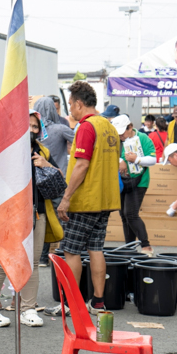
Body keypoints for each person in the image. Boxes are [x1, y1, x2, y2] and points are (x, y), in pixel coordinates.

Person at [0, 112, 63, 328]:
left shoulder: (42, 150)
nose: (31, 130)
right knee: (1, 262)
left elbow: (59, 176)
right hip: (9, 214)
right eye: (27, 125)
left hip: (37, 213)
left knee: (31, 263)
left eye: (34, 126)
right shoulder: (4, 149)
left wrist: (45, 164)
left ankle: (28, 309)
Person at [53, 81, 120, 316]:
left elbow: (82, 164)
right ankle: (98, 302)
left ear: (80, 104)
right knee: (96, 249)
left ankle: (72, 304)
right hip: (106, 199)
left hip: (85, 199)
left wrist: (66, 198)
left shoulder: (86, 127)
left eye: (71, 104)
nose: (70, 109)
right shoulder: (109, 127)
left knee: (71, 251)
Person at [34, 98, 75, 266]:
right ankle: (66, 254)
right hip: (58, 178)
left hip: (38, 179)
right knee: (63, 217)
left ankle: (43, 257)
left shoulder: (33, 131)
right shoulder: (60, 129)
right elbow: (79, 139)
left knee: (44, 217)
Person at [111, 115, 156, 256]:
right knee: (124, 215)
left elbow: (153, 159)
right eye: (118, 133)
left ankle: (146, 245)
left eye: (122, 132)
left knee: (130, 214)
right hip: (122, 181)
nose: (120, 136)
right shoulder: (116, 139)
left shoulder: (143, 138)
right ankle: (129, 247)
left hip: (139, 182)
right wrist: (120, 160)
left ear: (130, 127)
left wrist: (137, 159)